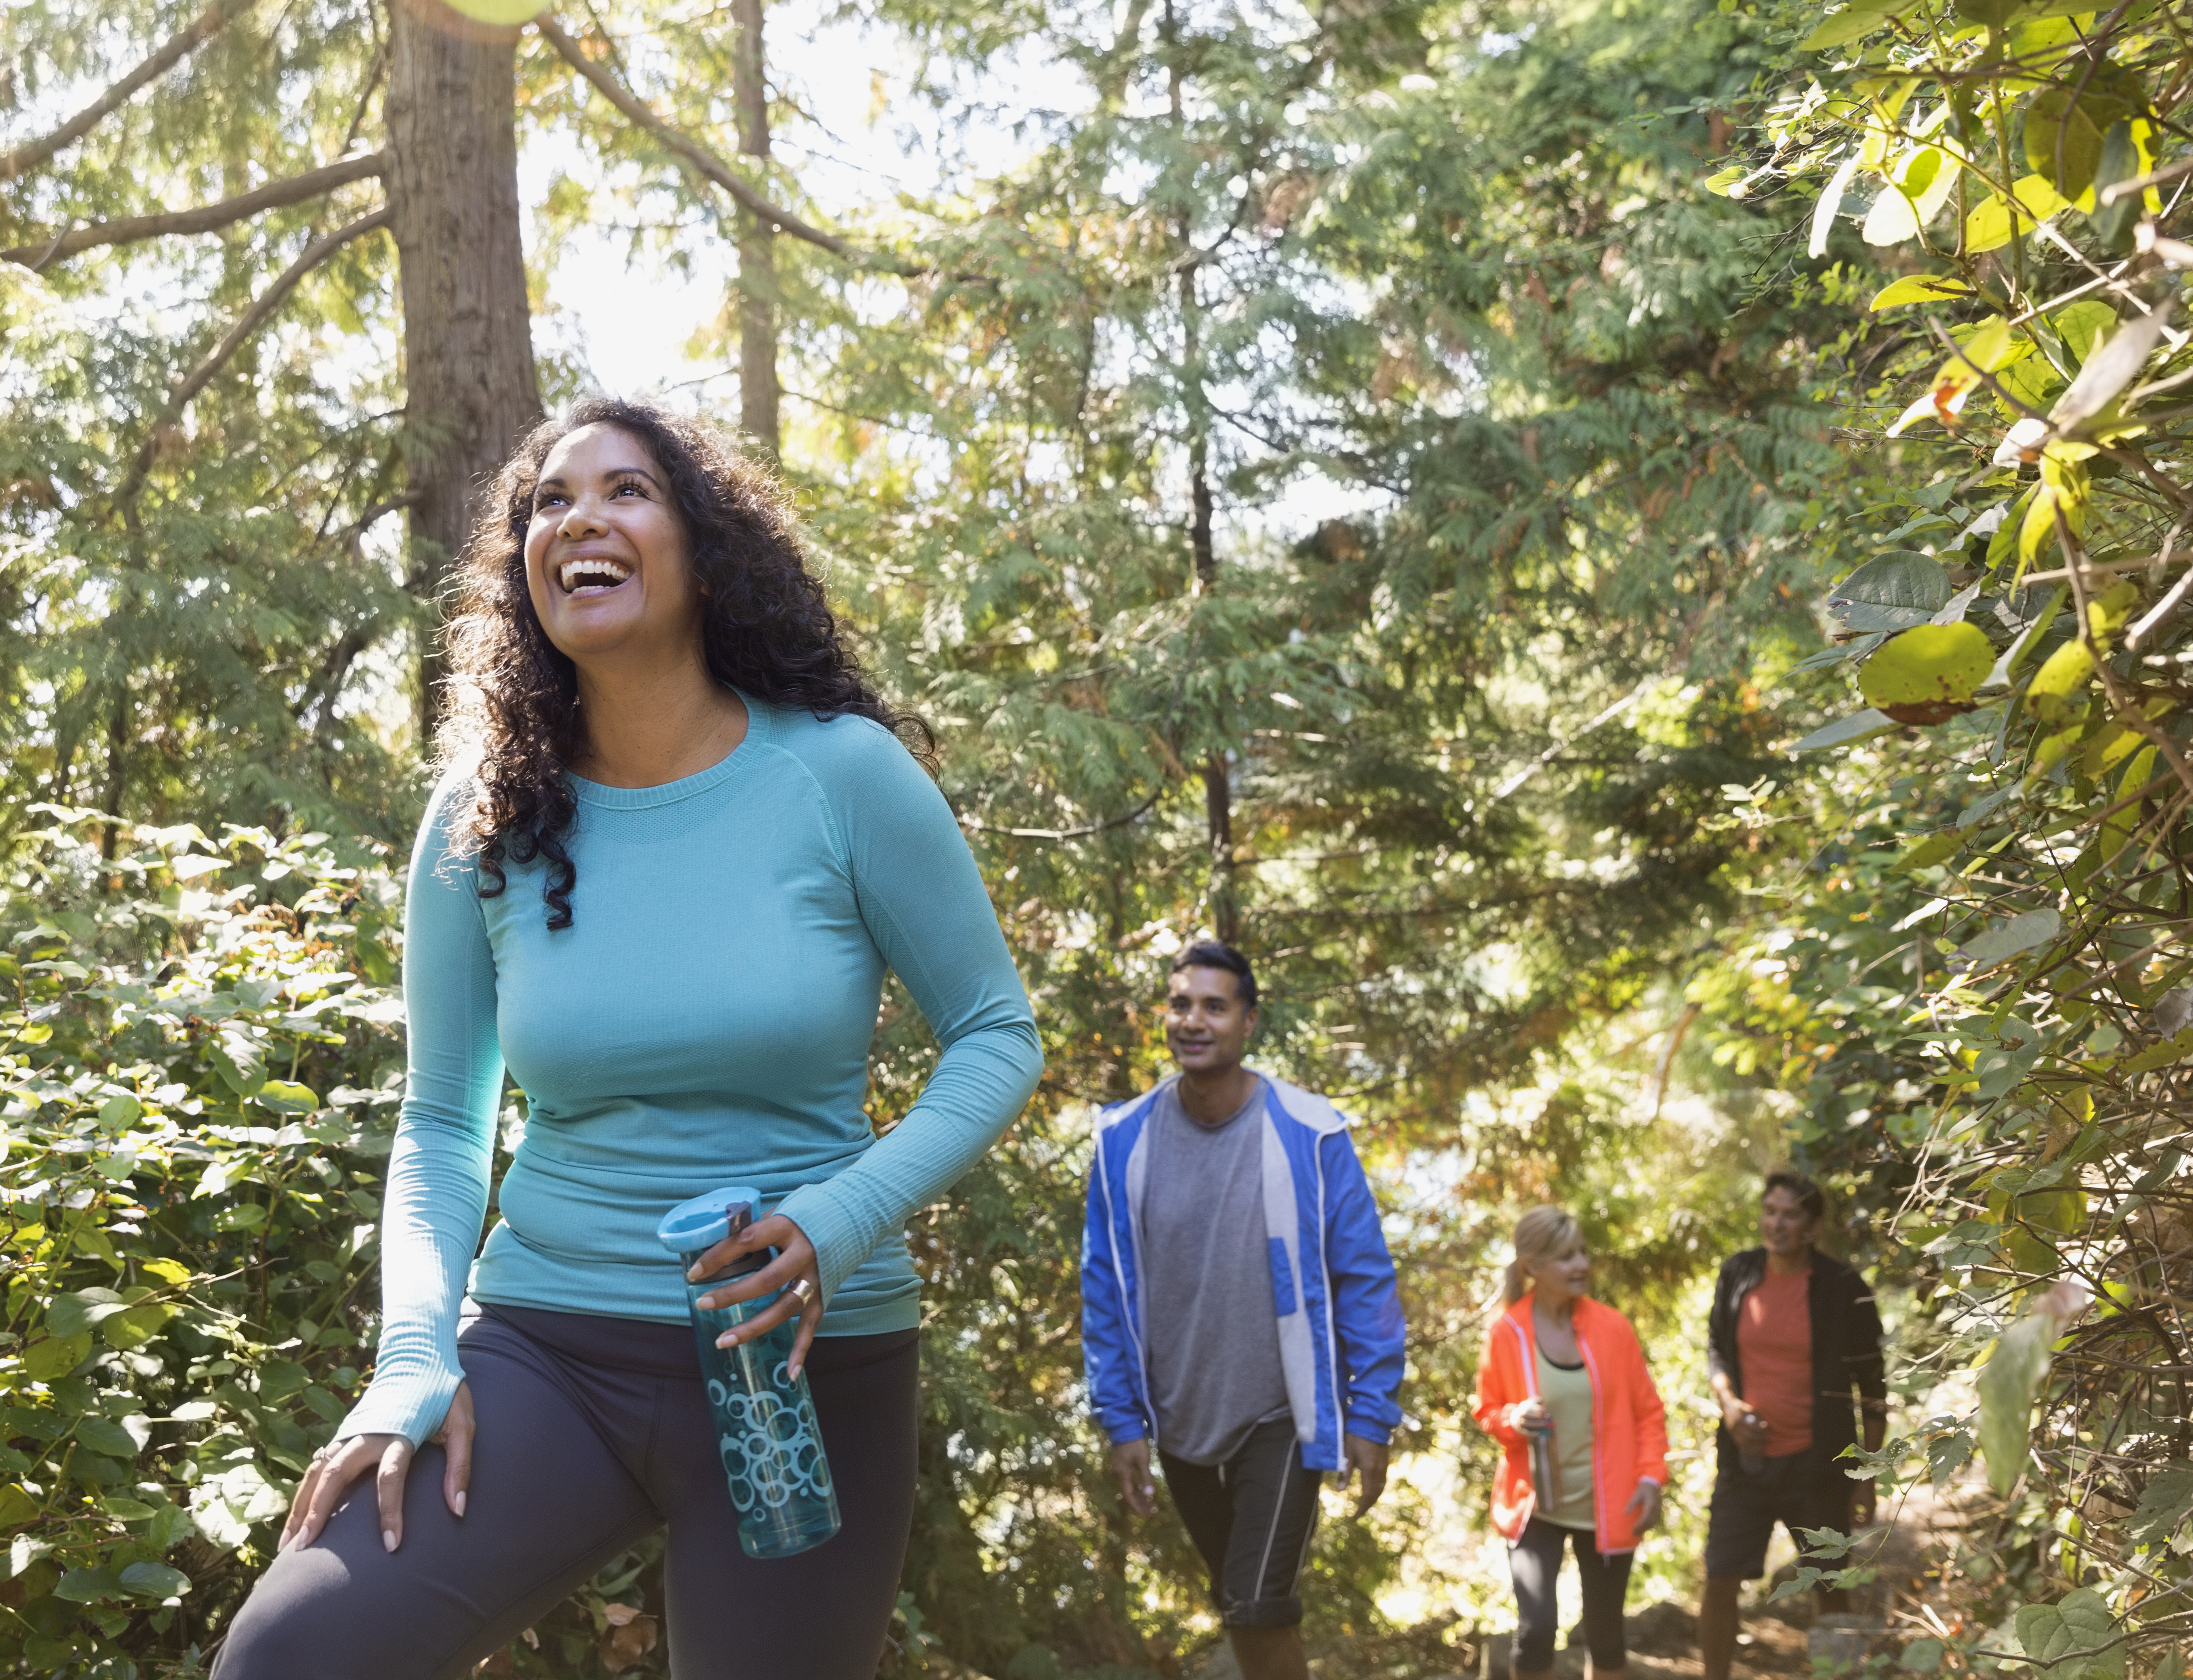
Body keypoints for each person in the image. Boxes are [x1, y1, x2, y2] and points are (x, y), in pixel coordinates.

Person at [213, 401, 1044, 1680]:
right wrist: (408, 1358)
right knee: (293, 1656)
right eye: (549, 500)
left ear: (703, 549)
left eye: (626, 491)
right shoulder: (484, 810)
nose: (578, 518)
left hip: (803, 1362)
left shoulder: (841, 776)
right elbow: (443, 1116)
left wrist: (837, 1218)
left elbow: (993, 1035)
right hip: (550, 1347)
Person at [1079, 938, 1407, 1680]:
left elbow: (1364, 1279)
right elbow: (1104, 1287)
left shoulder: (1309, 1131)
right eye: (1181, 1004)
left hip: (1282, 1412)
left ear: (1248, 1021)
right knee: (1244, 1607)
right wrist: (1122, 1420)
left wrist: (1371, 1412)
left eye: (1215, 1007)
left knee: (1257, 1603)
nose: (1194, 1021)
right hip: (1180, 1416)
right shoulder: (1122, 1142)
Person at [1699, 1170, 1888, 1680]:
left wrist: (1865, 1478)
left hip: (1819, 1469)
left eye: (1789, 1215)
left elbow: (1873, 1389)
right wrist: (1730, 1406)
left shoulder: (1845, 1289)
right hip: (1747, 1463)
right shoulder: (1738, 1273)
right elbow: (1717, 1348)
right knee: (1719, 1577)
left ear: (1813, 1226)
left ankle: (1839, 1673)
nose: (1776, 1224)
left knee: (1829, 1582)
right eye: (1770, 1211)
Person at [1473, 1206, 1669, 1680]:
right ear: (1532, 1268)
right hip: (1534, 1506)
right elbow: (1486, 1411)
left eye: (1582, 1252)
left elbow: (1648, 1412)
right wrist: (1513, 1419)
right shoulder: (1506, 1333)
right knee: (1536, 1631)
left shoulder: (1613, 1328)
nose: (1581, 1264)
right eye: (1566, 1257)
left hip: (1608, 1505)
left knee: (1605, 1637)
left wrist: (1650, 1477)